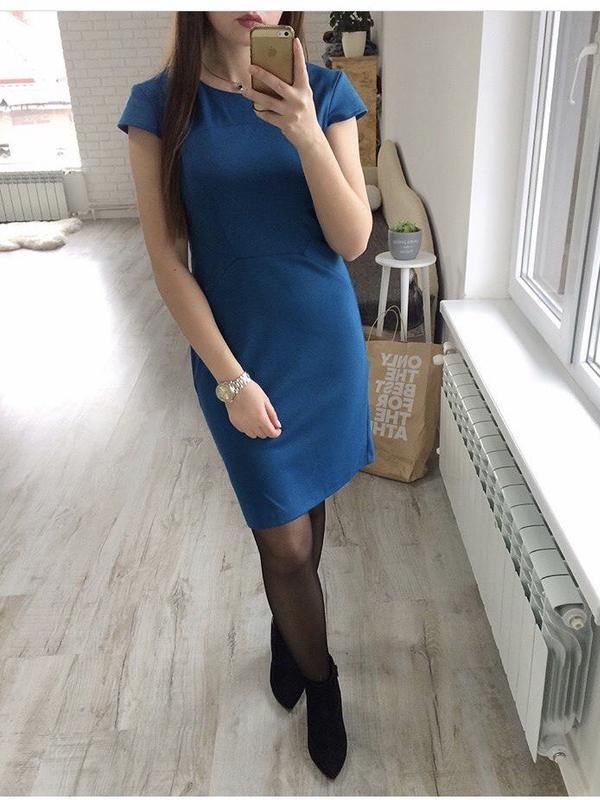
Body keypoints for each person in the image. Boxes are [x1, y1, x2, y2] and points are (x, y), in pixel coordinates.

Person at [117, 10, 374, 780]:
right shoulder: (158, 107)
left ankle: (293, 634)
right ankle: (322, 680)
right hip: (236, 354)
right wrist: (230, 379)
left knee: (309, 501)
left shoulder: (324, 92)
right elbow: (168, 260)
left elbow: (352, 239)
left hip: (323, 346)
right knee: (284, 541)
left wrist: (305, 132)